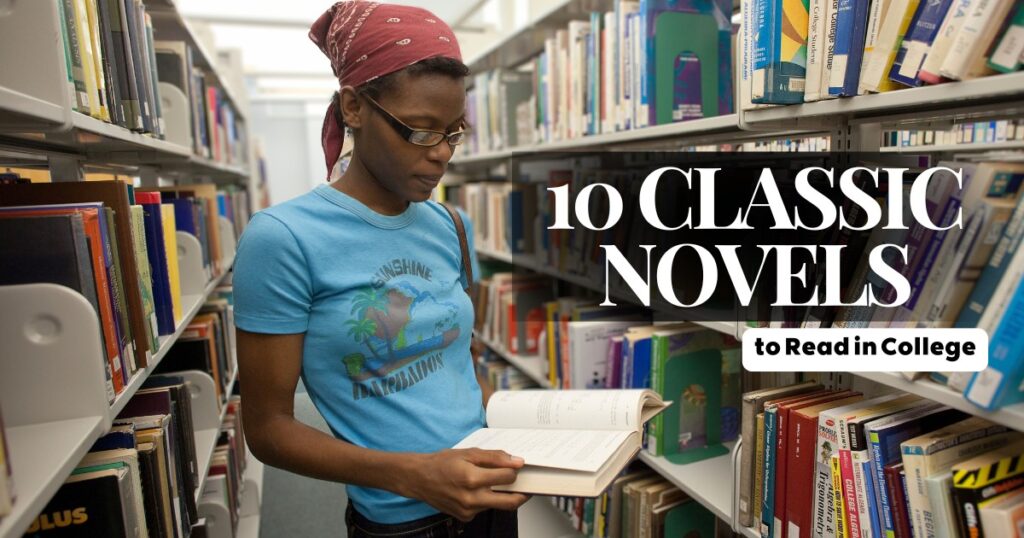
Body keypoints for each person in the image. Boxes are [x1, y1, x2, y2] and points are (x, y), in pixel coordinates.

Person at [231, 2, 528, 536]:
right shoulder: (283, 239)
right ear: (353, 107)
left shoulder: (451, 225)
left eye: (454, 133)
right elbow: (268, 429)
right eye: (419, 131)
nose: (441, 155)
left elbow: (460, 361)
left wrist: (523, 431)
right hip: (401, 522)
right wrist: (417, 476)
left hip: (491, 495)